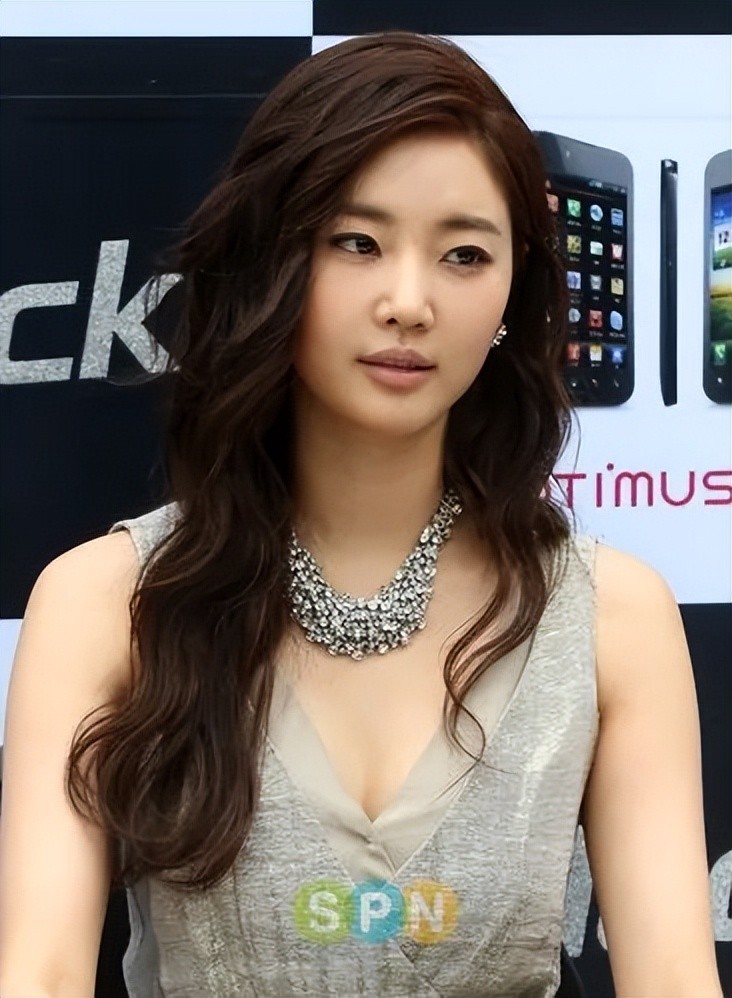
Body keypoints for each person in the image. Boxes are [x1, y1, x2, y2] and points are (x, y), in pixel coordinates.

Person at [0, 31, 722, 998]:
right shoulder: (107, 602)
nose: (409, 301)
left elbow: (673, 976)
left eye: (465, 254)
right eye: (357, 242)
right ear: (273, 258)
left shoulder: (610, 617)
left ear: (513, 291)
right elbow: (41, 974)